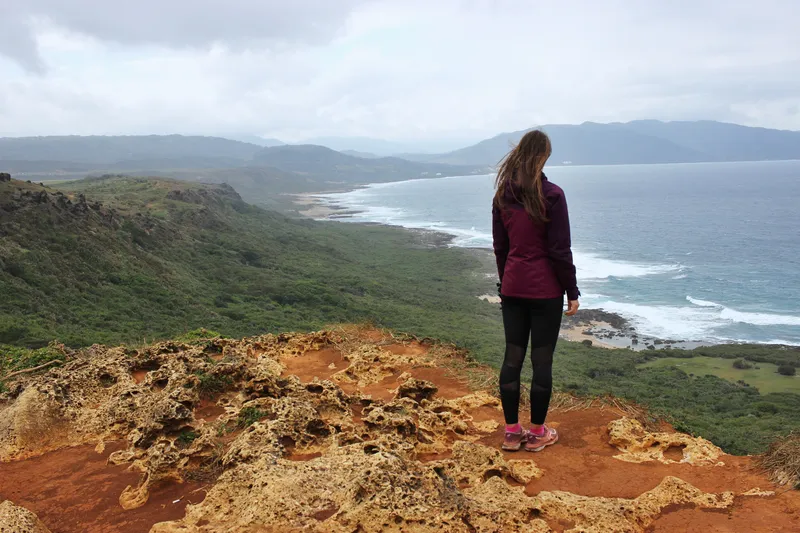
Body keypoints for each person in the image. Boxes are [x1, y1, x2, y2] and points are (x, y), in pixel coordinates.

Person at [492, 129, 580, 452]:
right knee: (542, 362)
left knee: (512, 357)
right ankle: (538, 433)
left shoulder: (503, 195)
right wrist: (571, 290)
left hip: (513, 288)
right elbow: (560, 250)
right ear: (542, 157)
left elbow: (500, 248)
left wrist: (508, 282)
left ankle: (512, 433)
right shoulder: (553, 196)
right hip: (545, 293)